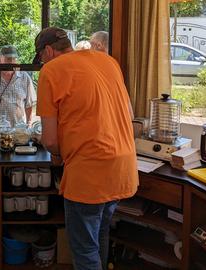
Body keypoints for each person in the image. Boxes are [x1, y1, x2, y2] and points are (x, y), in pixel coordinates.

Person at [33, 27, 138, 270]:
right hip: (122, 167)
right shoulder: (108, 61)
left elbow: (49, 141)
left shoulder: (50, 70)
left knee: (83, 248)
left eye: (40, 57)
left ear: (48, 51)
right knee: (99, 235)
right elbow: (129, 115)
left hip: (89, 173)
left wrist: (60, 153)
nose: (41, 62)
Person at [0, 45, 36, 127]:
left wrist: (28, 124)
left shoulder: (24, 77)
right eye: (8, 59)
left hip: (17, 129)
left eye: (14, 59)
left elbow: (29, 104)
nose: (11, 62)